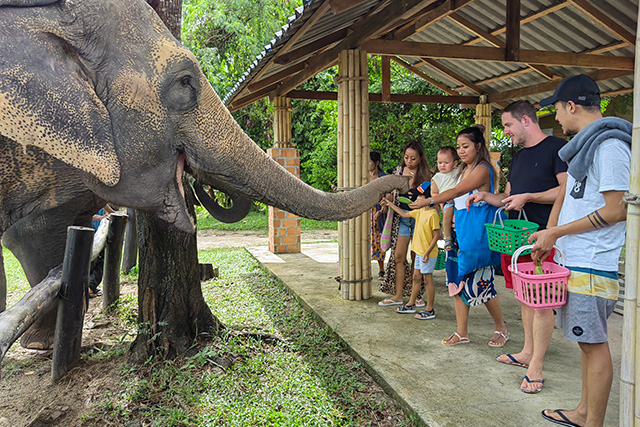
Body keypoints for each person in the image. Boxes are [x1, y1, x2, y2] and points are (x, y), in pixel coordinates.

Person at [528, 74, 630, 427]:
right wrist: (552, 236)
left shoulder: (610, 147)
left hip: (593, 260)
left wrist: (557, 231)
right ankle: (584, 411)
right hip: (578, 259)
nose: (556, 119)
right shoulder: (586, 146)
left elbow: (617, 209)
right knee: (586, 343)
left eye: (556, 110)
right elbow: (571, 197)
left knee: (594, 345)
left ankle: (593, 422)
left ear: (571, 106)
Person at [467, 100, 568, 394]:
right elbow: (509, 197)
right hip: (516, 240)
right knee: (524, 298)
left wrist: (530, 197)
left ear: (526, 120)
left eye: (508, 125)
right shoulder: (520, 156)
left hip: (542, 237)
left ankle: (536, 365)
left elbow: (565, 190)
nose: (506, 131)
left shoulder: (556, 148)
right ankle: (526, 351)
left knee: (541, 303)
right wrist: (485, 197)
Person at [411, 125, 509, 347]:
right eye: (459, 147)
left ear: (478, 146)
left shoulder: (482, 169)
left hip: (477, 235)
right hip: (460, 233)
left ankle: (501, 327)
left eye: (465, 146)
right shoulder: (463, 170)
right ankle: (461, 331)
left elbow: (456, 192)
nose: (461, 151)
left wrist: (427, 201)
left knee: (483, 284)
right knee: (456, 281)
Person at [378, 141, 432, 306]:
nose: (409, 161)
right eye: (406, 157)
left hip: (419, 220)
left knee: (417, 258)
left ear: (420, 158)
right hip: (402, 218)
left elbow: (432, 200)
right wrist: (386, 201)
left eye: (413, 158)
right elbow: (390, 193)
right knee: (398, 256)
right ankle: (398, 295)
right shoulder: (399, 172)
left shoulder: (427, 176)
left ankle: (416, 296)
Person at [381, 196, 441, 319]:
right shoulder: (419, 212)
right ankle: (410, 304)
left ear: (428, 199)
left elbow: (437, 235)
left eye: (419, 198)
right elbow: (403, 214)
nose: (416, 200)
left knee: (427, 279)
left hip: (427, 254)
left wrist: (427, 252)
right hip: (419, 251)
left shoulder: (433, 214)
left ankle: (429, 309)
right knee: (416, 277)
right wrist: (390, 204)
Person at [429, 146, 460, 250]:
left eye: (446, 163)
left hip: (460, 200)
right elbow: (434, 194)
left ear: (455, 163)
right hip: (447, 202)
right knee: (447, 212)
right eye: (440, 163)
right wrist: (442, 199)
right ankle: (448, 237)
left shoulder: (458, 171)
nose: (442, 165)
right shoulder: (436, 178)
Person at [89, 204, 115, 297]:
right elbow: (88, 215)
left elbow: (106, 208)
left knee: (100, 261)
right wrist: (102, 218)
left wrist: (114, 215)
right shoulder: (88, 200)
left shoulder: (100, 200)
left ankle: (91, 286)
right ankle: (90, 287)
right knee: (96, 262)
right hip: (90, 234)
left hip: (99, 233)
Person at [369, 152, 387, 279]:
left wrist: (381, 209)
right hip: (366, 212)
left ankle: (381, 270)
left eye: (369, 161)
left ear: (377, 163)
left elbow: (387, 196)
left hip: (378, 212)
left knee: (379, 239)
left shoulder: (383, 178)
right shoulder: (362, 177)